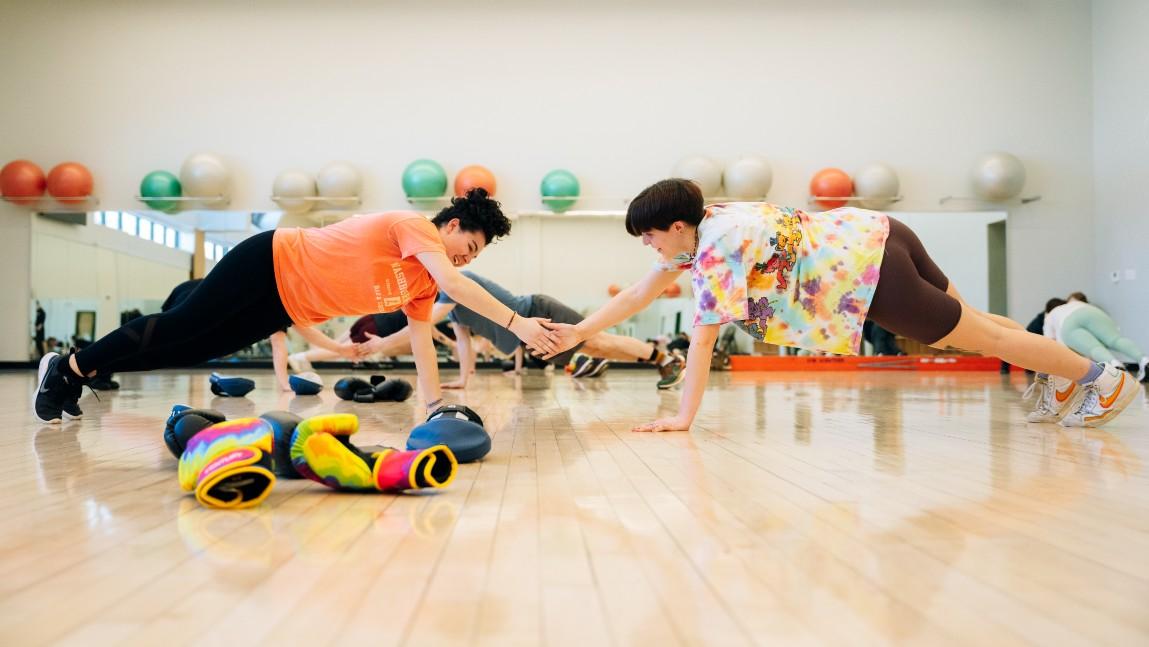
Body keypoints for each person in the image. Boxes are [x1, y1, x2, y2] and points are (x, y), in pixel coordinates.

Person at [541, 178, 1139, 431]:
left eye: (648, 237)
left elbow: (701, 339)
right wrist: (575, 333)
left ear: (673, 227)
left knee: (978, 338)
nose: (648, 248)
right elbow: (643, 291)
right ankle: (1063, 378)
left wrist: (683, 418)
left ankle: (1101, 379)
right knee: (980, 322)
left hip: (872, 276)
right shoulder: (709, 218)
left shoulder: (715, 250)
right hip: (880, 231)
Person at [32, 189, 559, 424]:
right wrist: (517, 322)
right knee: (181, 324)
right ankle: (69, 366)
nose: (463, 263)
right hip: (268, 260)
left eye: (472, 260)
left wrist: (433, 406)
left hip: (284, 303)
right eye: (466, 249)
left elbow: (422, 344)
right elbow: (451, 279)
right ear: (449, 227)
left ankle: (80, 370)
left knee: (194, 348)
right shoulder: (413, 227)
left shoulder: (420, 287)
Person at [298, 272, 687, 389]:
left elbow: (424, 326)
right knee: (596, 349)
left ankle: (663, 357)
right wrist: (462, 380)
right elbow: (463, 341)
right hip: (529, 330)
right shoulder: (446, 303)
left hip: (539, 311)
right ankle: (659, 358)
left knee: (597, 341)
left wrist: (381, 343)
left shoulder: (454, 284)